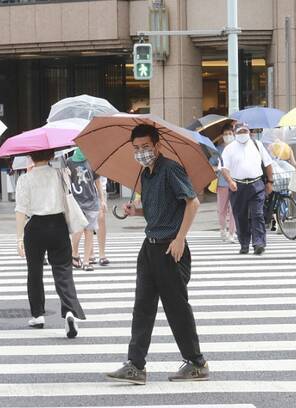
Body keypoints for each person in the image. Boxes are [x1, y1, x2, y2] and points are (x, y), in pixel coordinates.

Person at [105, 124, 208, 385]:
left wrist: (180, 238)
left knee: (176, 308)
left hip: (169, 247)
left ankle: (197, 363)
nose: (141, 152)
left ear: (157, 145)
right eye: (137, 148)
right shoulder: (146, 173)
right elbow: (157, 211)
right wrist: (135, 212)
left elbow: (192, 203)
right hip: (149, 247)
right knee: (142, 307)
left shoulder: (170, 169)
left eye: (146, 147)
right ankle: (135, 365)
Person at [15, 148, 86, 337]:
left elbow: (20, 209)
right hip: (58, 225)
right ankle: (70, 311)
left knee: (35, 271)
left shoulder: (25, 179)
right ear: (52, 156)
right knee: (63, 270)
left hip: (35, 226)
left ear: (30, 157)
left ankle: (38, 315)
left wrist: (19, 238)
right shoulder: (60, 174)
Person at [221, 123, 274, 255]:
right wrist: (230, 181)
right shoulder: (229, 148)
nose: (243, 134)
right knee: (240, 216)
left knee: (257, 214)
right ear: (235, 133)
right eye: (240, 132)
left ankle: (259, 243)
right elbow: (224, 168)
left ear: (249, 132)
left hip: (256, 184)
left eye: (245, 131)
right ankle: (244, 243)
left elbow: (268, 164)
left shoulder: (257, 145)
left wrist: (270, 182)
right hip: (237, 186)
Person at [67, 148, 104, 271]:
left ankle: (86, 261)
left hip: (91, 200)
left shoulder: (92, 161)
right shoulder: (69, 162)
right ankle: (74, 253)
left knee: (89, 230)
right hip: (76, 201)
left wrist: (102, 199)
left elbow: (97, 181)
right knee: (78, 230)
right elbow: (65, 181)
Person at [214, 123, 237, 243]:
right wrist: (216, 167)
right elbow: (211, 164)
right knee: (221, 209)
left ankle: (232, 233)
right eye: (225, 134)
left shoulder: (237, 148)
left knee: (234, 209)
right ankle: (223, 229)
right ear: (222, 136)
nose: (227, 136)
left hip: (235, 183)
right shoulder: (218, 149)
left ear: (234, 134)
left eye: (230, 133)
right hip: (222, 184)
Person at [94, 176, 110, 266]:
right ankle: (90, 253)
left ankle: (102, 254)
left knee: (101, 218)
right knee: (86, 221)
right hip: (84, 188)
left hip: (101, 188)